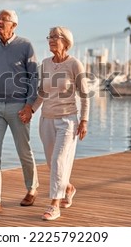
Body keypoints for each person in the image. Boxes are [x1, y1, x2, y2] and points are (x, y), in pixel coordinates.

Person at [0, 9, 39, 215]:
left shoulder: (25, 46)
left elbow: (34, 78)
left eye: (4, 20)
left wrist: (29, 105)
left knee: (24, 151)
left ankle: (32, 188)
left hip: (18, 107)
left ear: (13, 25)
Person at [28, 26, 89, 221]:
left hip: (67, 121)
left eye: (56, 37)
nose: (51, 40)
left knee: (58, 161)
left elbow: (85, 96)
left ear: (66, 41)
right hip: (46, 120)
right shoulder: (45, 64)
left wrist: (84, 120)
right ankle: (68, 188)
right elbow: (42, 93)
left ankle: (54, 205)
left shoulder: (74, 64)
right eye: (50, 37)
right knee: (51, 162)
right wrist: (30, 110)